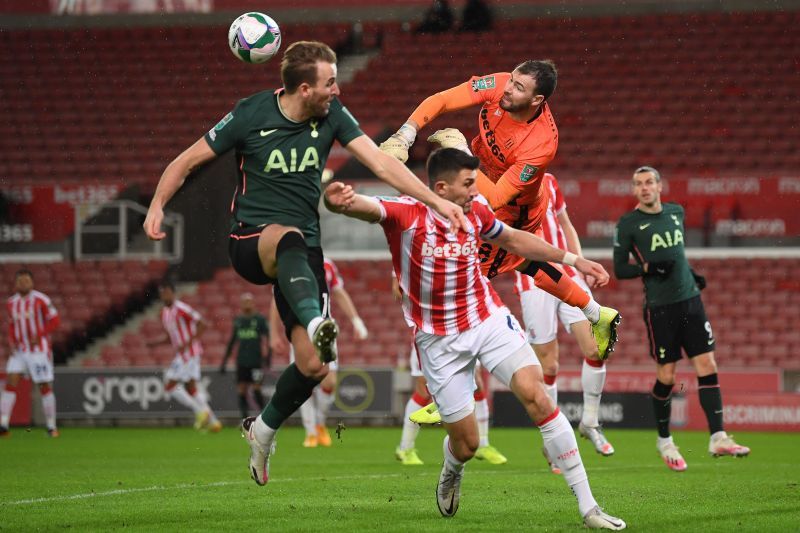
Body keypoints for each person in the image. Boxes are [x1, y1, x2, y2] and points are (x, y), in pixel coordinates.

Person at [142, 41, 467, 486]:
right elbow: (187, 160)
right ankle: (317, 324)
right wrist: (158, 205)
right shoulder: (249, 114)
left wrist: (434, 202)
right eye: (329, 82)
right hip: (251, 240)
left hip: (302, 254)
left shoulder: (332, 115)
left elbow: (379, 162)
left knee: (314, 367)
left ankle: (262, 430)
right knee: (289, 237)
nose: (337, 89)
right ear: (303, 88)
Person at [325, 148, 625, 529]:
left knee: (537, 394)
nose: (475, 189)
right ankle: (452, 467)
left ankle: (589, 508)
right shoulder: (407, 213)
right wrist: (340, 203)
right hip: (438, 343)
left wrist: (574, 260)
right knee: (466, 444)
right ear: (441, 187)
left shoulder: (477, 210)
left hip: (487, 320)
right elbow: (367, 207)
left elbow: (515, 240)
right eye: (468, 183)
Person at [379, 60, 620, 360]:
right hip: (478, 184)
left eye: (518, 87)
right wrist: (406, 134)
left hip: (513, 210)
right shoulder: (502, 84)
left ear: (537, 100)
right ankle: (597, 313)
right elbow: (442, 99)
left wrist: (460, 154)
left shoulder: (540, 144)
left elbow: (495, 199)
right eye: (512, 80)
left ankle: (449, 392)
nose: (507, 88)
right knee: (524, 263)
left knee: (463, 278)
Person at [613, 166, 750, 472]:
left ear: (660, 186)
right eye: (638, 184)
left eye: (649, 182)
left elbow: (678, 253)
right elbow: (620, 269)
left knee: (707, 365)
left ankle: (718, 437)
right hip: (661, 309)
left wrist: (690, 274)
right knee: (667, 375)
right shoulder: (628, 224)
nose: (645, 188)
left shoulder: (676, 212)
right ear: (634, 190)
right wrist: (647, 269)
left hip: (691, 301)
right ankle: (664, 440)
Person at [513, 172, 615, 473]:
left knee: (597, 347)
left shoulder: (549, 180)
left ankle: (590, 421)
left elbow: (565, 223)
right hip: (533, 281)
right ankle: (553, 441)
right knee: (549, 366)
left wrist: (580, 264)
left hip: (568, 274)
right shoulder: (504, 186)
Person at [393, 278, 507, 466]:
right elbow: (397, 290)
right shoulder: (415, 256)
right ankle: (405, 448)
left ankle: (483, 444)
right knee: (424, 390)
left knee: (477, 384)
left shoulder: (464, 253)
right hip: (430, 331)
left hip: (464, 328)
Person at [296, 257, 369, 448]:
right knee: (304, 381)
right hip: (301, 329)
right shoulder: (292, 262)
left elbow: (339, 293)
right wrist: (274, 333)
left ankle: (320, 423)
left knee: (329, 381)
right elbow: (276, 299)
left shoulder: (327, 264)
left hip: (326, 327)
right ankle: (310, 431)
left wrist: (356, 320)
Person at [147, 280, 222, 432]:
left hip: (189, 353)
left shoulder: (181, 308)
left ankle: (200, 413)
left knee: (170, 386)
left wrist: (188, 344)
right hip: (183, 353)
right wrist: (155, 343)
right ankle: (214, 422)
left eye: (167, 292)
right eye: (162, 293)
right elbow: (171, 337)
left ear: (173, 293)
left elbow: (203, 324)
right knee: (191, 388)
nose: (165, 295)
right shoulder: (164, 313)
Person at [1, 269, 60, 437]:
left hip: (38, 351)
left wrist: (40, 335)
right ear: (16, 283)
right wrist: (11, 342)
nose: (23, 284)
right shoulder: (11, 302)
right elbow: (12, 325)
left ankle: (51, 427)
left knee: (44, 386)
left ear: (32, 283)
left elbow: (55, 321)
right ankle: (3, 425)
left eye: (26, 281)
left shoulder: (41, 300)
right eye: (20, 281)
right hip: (19, 351)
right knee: (11, 382)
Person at [220, 292, 270, 419]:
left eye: (249, 301)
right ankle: (244, 420)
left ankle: (265, 419)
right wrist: (224, 362)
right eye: (244, 302)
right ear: (241, 304)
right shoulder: (238, 320)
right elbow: (232, 341)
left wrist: (268, 358)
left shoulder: (260, 320)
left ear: (253, 303)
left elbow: (268, 338)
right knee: (241, 389)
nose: (246, 304)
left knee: (257, 388)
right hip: (242, 361)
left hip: (256, 361)